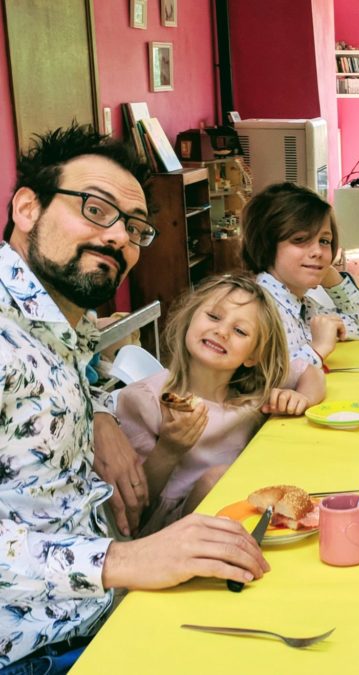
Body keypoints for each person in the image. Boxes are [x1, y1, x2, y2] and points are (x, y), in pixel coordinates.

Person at [0, 125, 268, 671]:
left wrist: (98, 412)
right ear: (27, 207)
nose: (119, 237)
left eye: (134, 227)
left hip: (106, 606)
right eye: (96, 210)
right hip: (39, 648)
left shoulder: (60, 322)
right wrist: (124, 559)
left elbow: (60, 377)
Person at [116, 275, 325, 535]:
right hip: (174, 531)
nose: (222, 331)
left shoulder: (253, 389)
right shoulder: (145, 400)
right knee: (215, 477)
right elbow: (135, 505)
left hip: (244, 512)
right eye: (214, 317)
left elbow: (310, 372)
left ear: (253, 355)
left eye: (240, 331)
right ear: (191, 317)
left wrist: (301, 397)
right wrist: (170, 448)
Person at [240, 182, 359, 369]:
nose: (317, 251)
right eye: (299, 240)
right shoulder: (257, 307)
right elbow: (265, 378)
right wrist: (318, 348)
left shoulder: (303, 306)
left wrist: (332, 279)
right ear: (266, 245)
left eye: (324, 241)